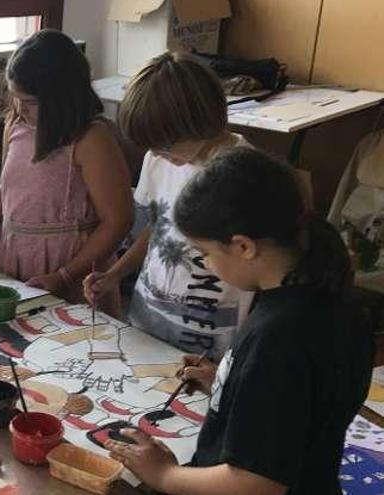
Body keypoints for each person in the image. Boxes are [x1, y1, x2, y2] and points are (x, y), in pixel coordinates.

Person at [106, 147, 373, 495]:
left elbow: (257, 481)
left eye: (205, 254)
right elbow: (303, 400)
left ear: (243, 246)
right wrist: (228, 379)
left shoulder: (281, 337)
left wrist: (165, 476)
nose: (206, 264)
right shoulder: (333, 299)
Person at [84, 52, 248, 358]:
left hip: (208, 337)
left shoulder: (243, 172)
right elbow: (156, 228)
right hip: (148, 319)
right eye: (151, 146)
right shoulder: (158, 160)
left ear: (201, 121)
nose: (157, 154)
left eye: (165, 145)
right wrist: (115, 274)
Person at [0, 29, 134, 310]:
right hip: (17, 257)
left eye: (30, 102)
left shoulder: (91, 139)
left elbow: (118, 221)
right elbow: (7, 185)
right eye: (15, 97)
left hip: (72, 266)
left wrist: (64, 275)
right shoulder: (16, 125)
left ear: (61, 98)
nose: (19, 107)